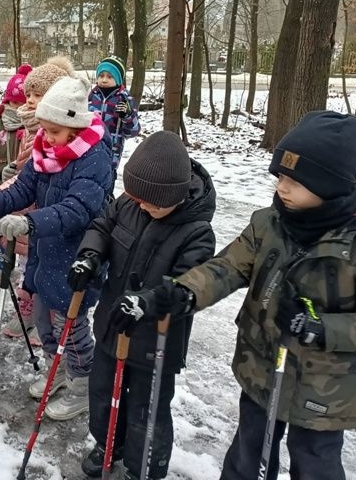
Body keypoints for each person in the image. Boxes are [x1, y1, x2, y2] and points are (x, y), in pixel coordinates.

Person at [128, 111, 356, 480]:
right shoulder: (268, 223)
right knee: (248, 453)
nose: (281, 187)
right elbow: (227, 267)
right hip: (262, 366)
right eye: (280, 176)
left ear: (330, 184)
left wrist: (323, 328)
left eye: (294, 181)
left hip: (325, 388)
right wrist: (183, 293)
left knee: (315, 463)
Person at [0, 74, 112, 420]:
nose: (45, 136)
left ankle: (81, 383)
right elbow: (24, 188)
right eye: (42, 128)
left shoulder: (94, 158)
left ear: (73, 127)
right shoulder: (46, 148)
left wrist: (30, 223)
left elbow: (79, 209)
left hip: (77, 258)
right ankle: (56, 367)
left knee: (69, 328)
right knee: (43, 320)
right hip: (46, 255)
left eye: (53, 131)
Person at [70, 131, 216, 479]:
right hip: (112, 325)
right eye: (135, 197)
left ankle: (144, 466)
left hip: (156, 341)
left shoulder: (197, 232)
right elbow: (102, 228)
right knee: (104, 393)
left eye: (150, 202)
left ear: (174, 196)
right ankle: (108, 443)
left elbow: (187, 286)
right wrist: (89, 257)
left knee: (146, 411)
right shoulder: (131, 203)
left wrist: (148, 303)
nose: (140, 205)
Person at [0, 57, 75, 344]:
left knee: (46, 264)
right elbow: (27, 174)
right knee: (30, 261)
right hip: (31, 207)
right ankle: (30, 309)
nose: (29, 100)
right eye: (28, 94)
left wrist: (13, 176)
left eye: (37, 95)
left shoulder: (53, 135)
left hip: (49, 213)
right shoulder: (31, 127)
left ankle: (46, 318)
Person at [88, 55, 140, 187]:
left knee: (106, 186)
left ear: (118, 79)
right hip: (88, 149)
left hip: (111, 153)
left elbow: (133, 131)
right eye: (101, 75)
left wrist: (127, 115)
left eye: (109, 76)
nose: (104, 80)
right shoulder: (91, 96)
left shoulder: (124, 99)